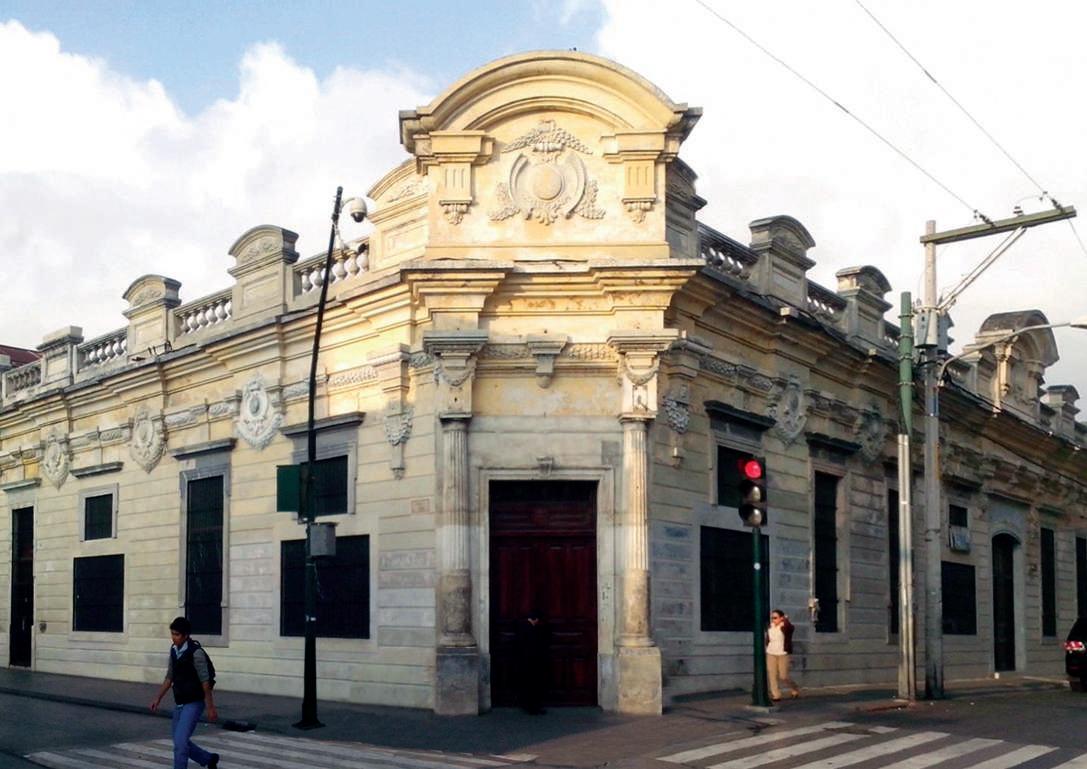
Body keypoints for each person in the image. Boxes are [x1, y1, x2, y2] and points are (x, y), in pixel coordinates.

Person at [150, 616, 220, 769]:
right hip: (180, 702)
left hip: (194, 702)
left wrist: (210, 707)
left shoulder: (196, 653)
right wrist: (158, 698)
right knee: (179, 741)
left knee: (180, 744)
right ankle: (209, 759)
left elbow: (205, 681)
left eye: (177, 634)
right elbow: (169, 677)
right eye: (172, 633)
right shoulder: (174, 650)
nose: (173, 637)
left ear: (186, 635)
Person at [515, 608, 550, 714]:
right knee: (533, 685)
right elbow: (534, 647)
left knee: (527, 685)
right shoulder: (531, 630)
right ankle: (533, 708)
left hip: (524, 662)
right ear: (536, 619)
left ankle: (527, 706)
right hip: (532, 662)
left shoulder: (521, 627)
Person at [765, 609, 800, 702]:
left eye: (775, 618)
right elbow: (768, 639)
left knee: (783, 676)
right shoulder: (770, 627)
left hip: (782, 653)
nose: (773, 620)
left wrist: (786, 620)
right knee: (772, 674)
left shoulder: (785, 626)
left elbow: (791, 628)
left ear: (781, 618)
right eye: (772, 618)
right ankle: (776, 695)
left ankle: (794, 688)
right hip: (771, 652)